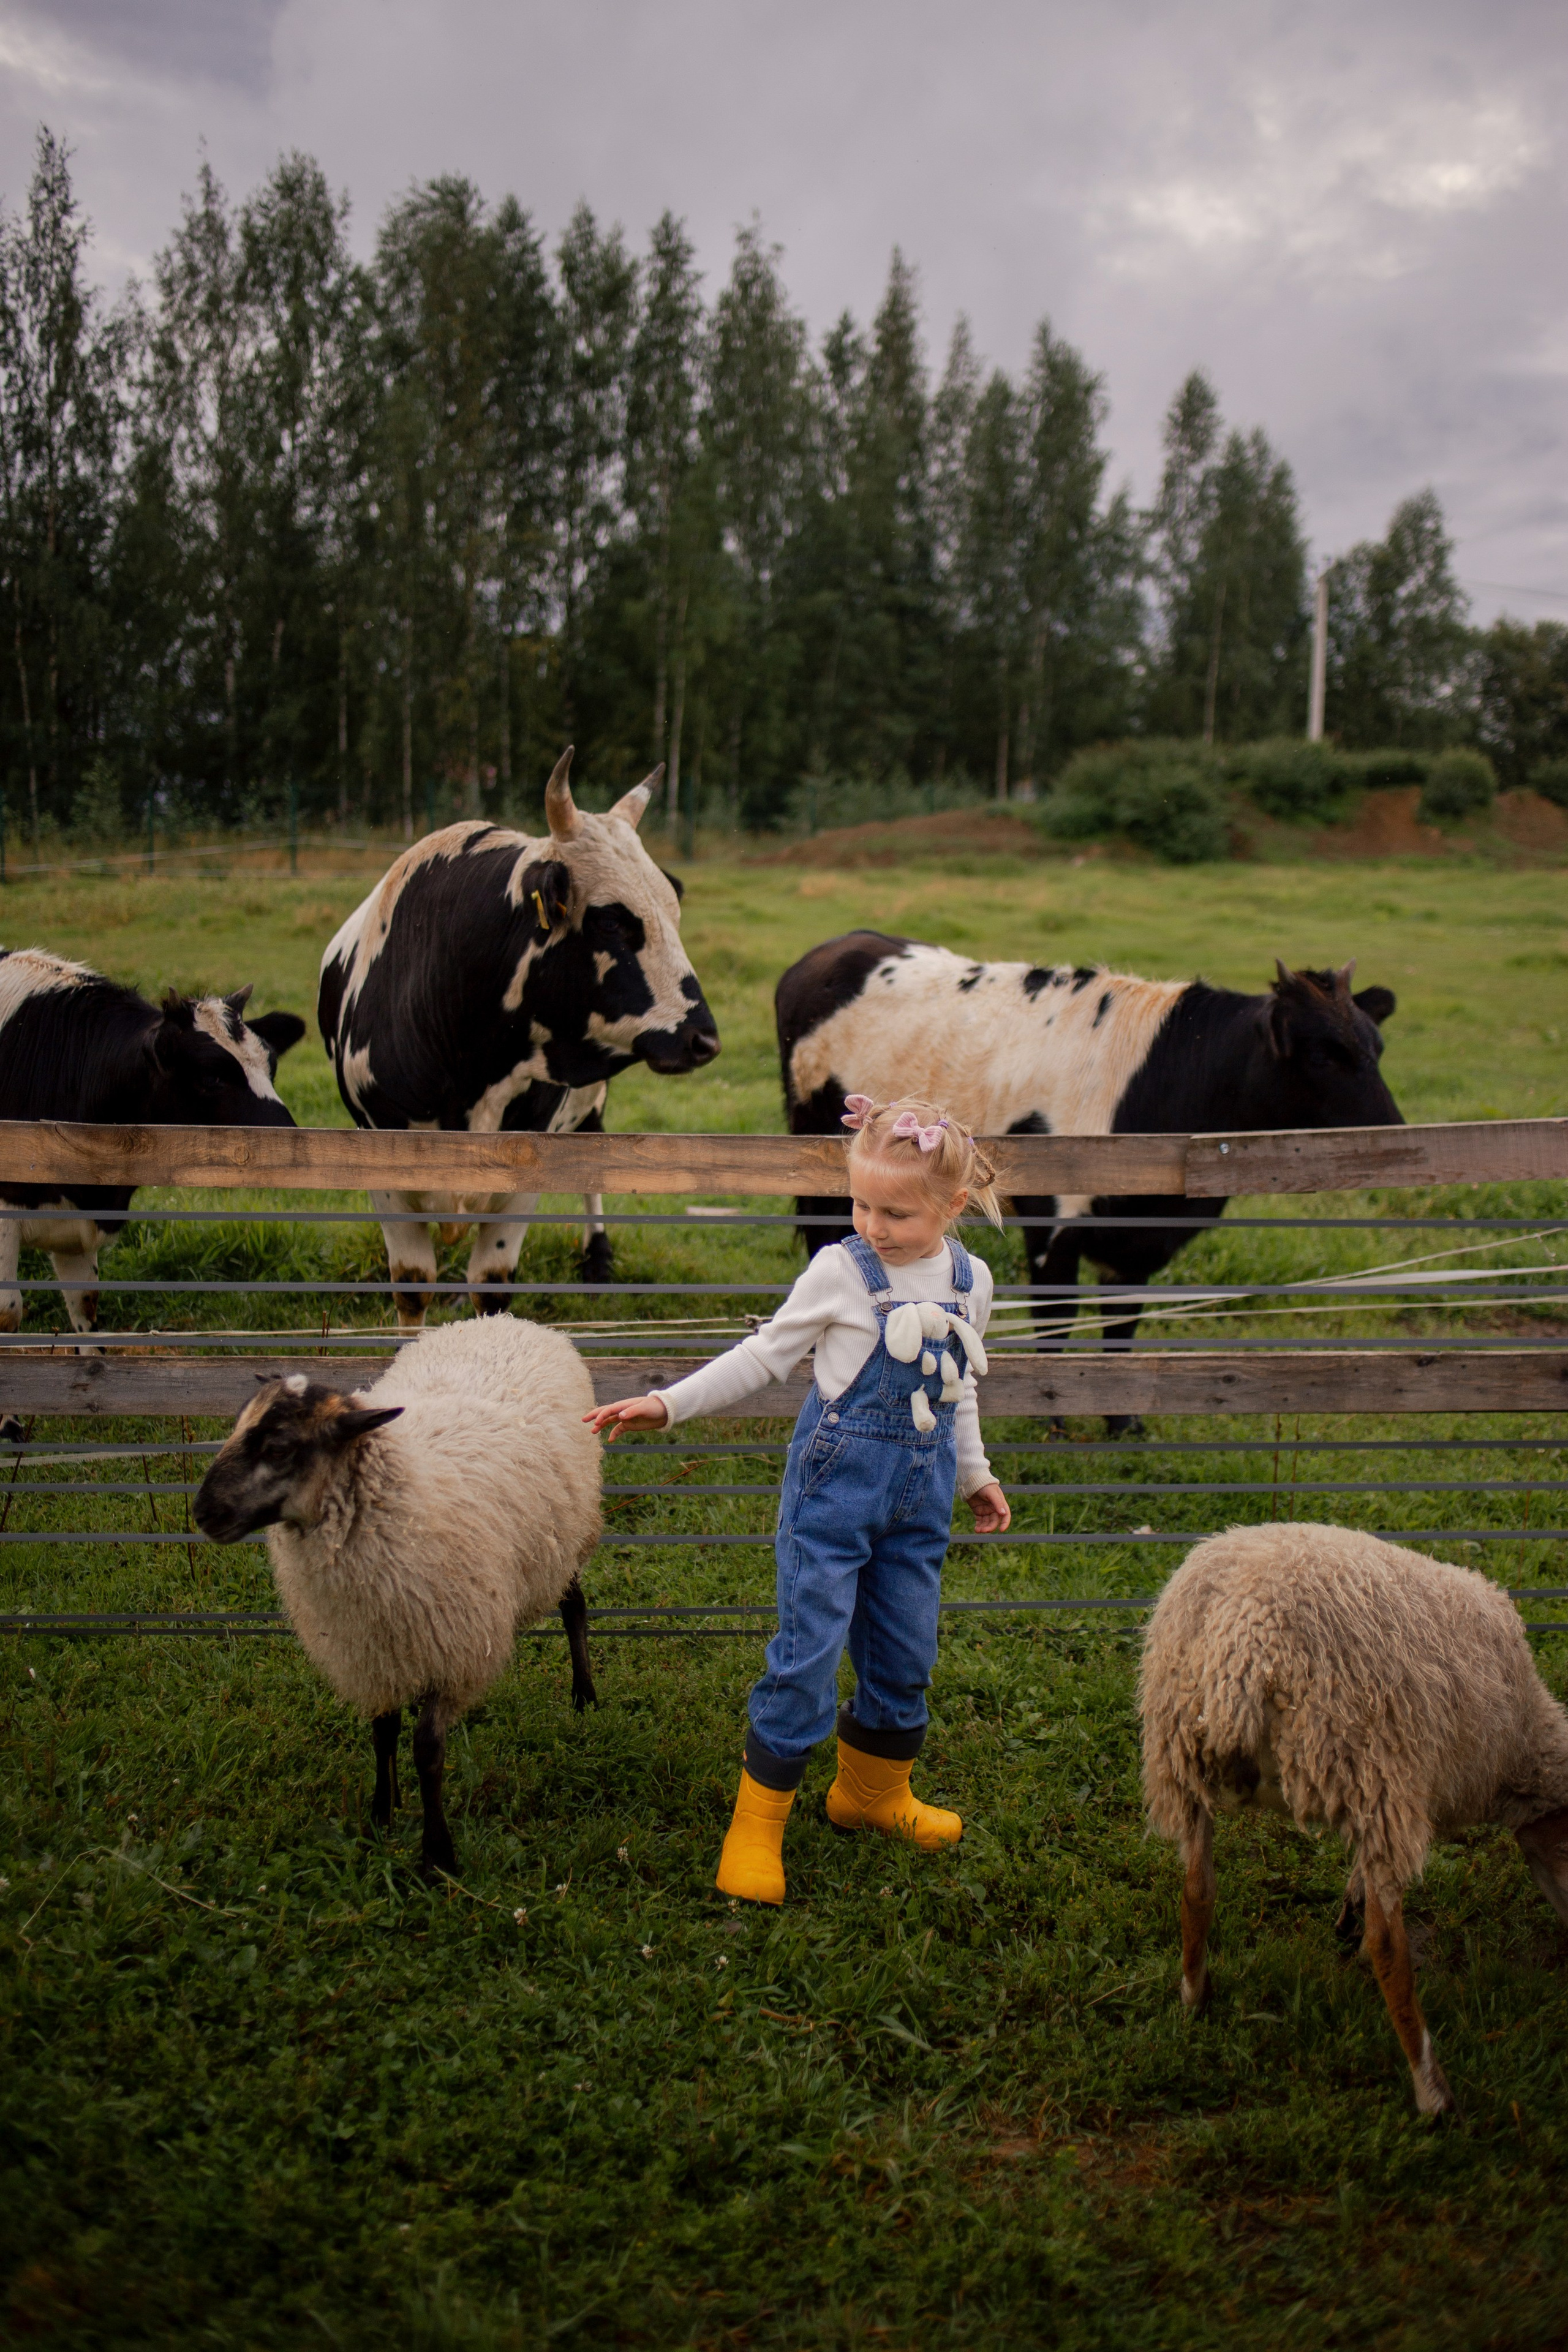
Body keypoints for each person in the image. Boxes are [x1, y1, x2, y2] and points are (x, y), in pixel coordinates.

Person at [584, 1094, 1011, 1905]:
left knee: (907, 1651)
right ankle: (757, 1825)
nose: (873, 1226)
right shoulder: (840, 1273)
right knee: (808, 1654)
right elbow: (763, 1356)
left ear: (953, 1206)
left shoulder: (971, 1282)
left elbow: (959, 1386)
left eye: (897, 1213)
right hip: (832, 1501)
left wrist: (975, 1473)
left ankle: (872, 1794)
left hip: (919, 1507)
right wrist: (667, 1404)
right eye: (861, 1205)